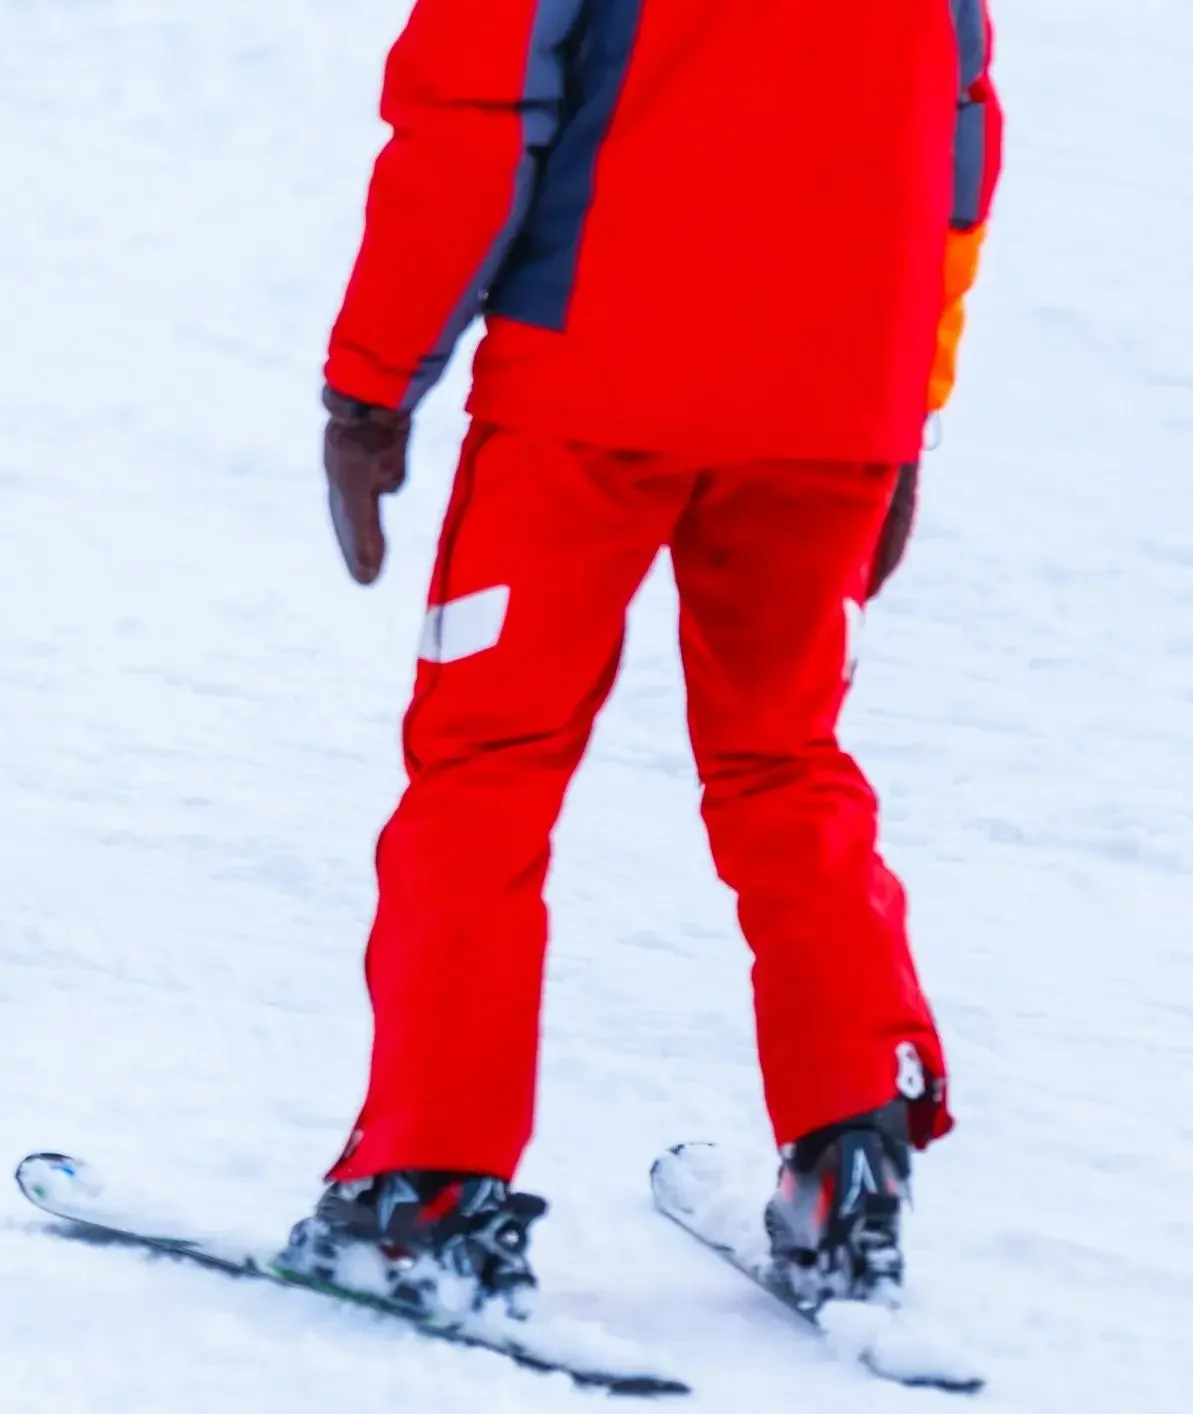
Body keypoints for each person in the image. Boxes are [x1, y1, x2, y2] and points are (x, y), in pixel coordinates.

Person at [282, 0, 1002, 1321]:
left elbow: (478, 112)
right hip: (834, 403)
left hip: (586, 396)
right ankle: (849, 1177)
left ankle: (429, 1192)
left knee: (487, 766)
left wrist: (372, 388)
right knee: (786, 758)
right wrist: (906, 407)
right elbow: (957, 145)